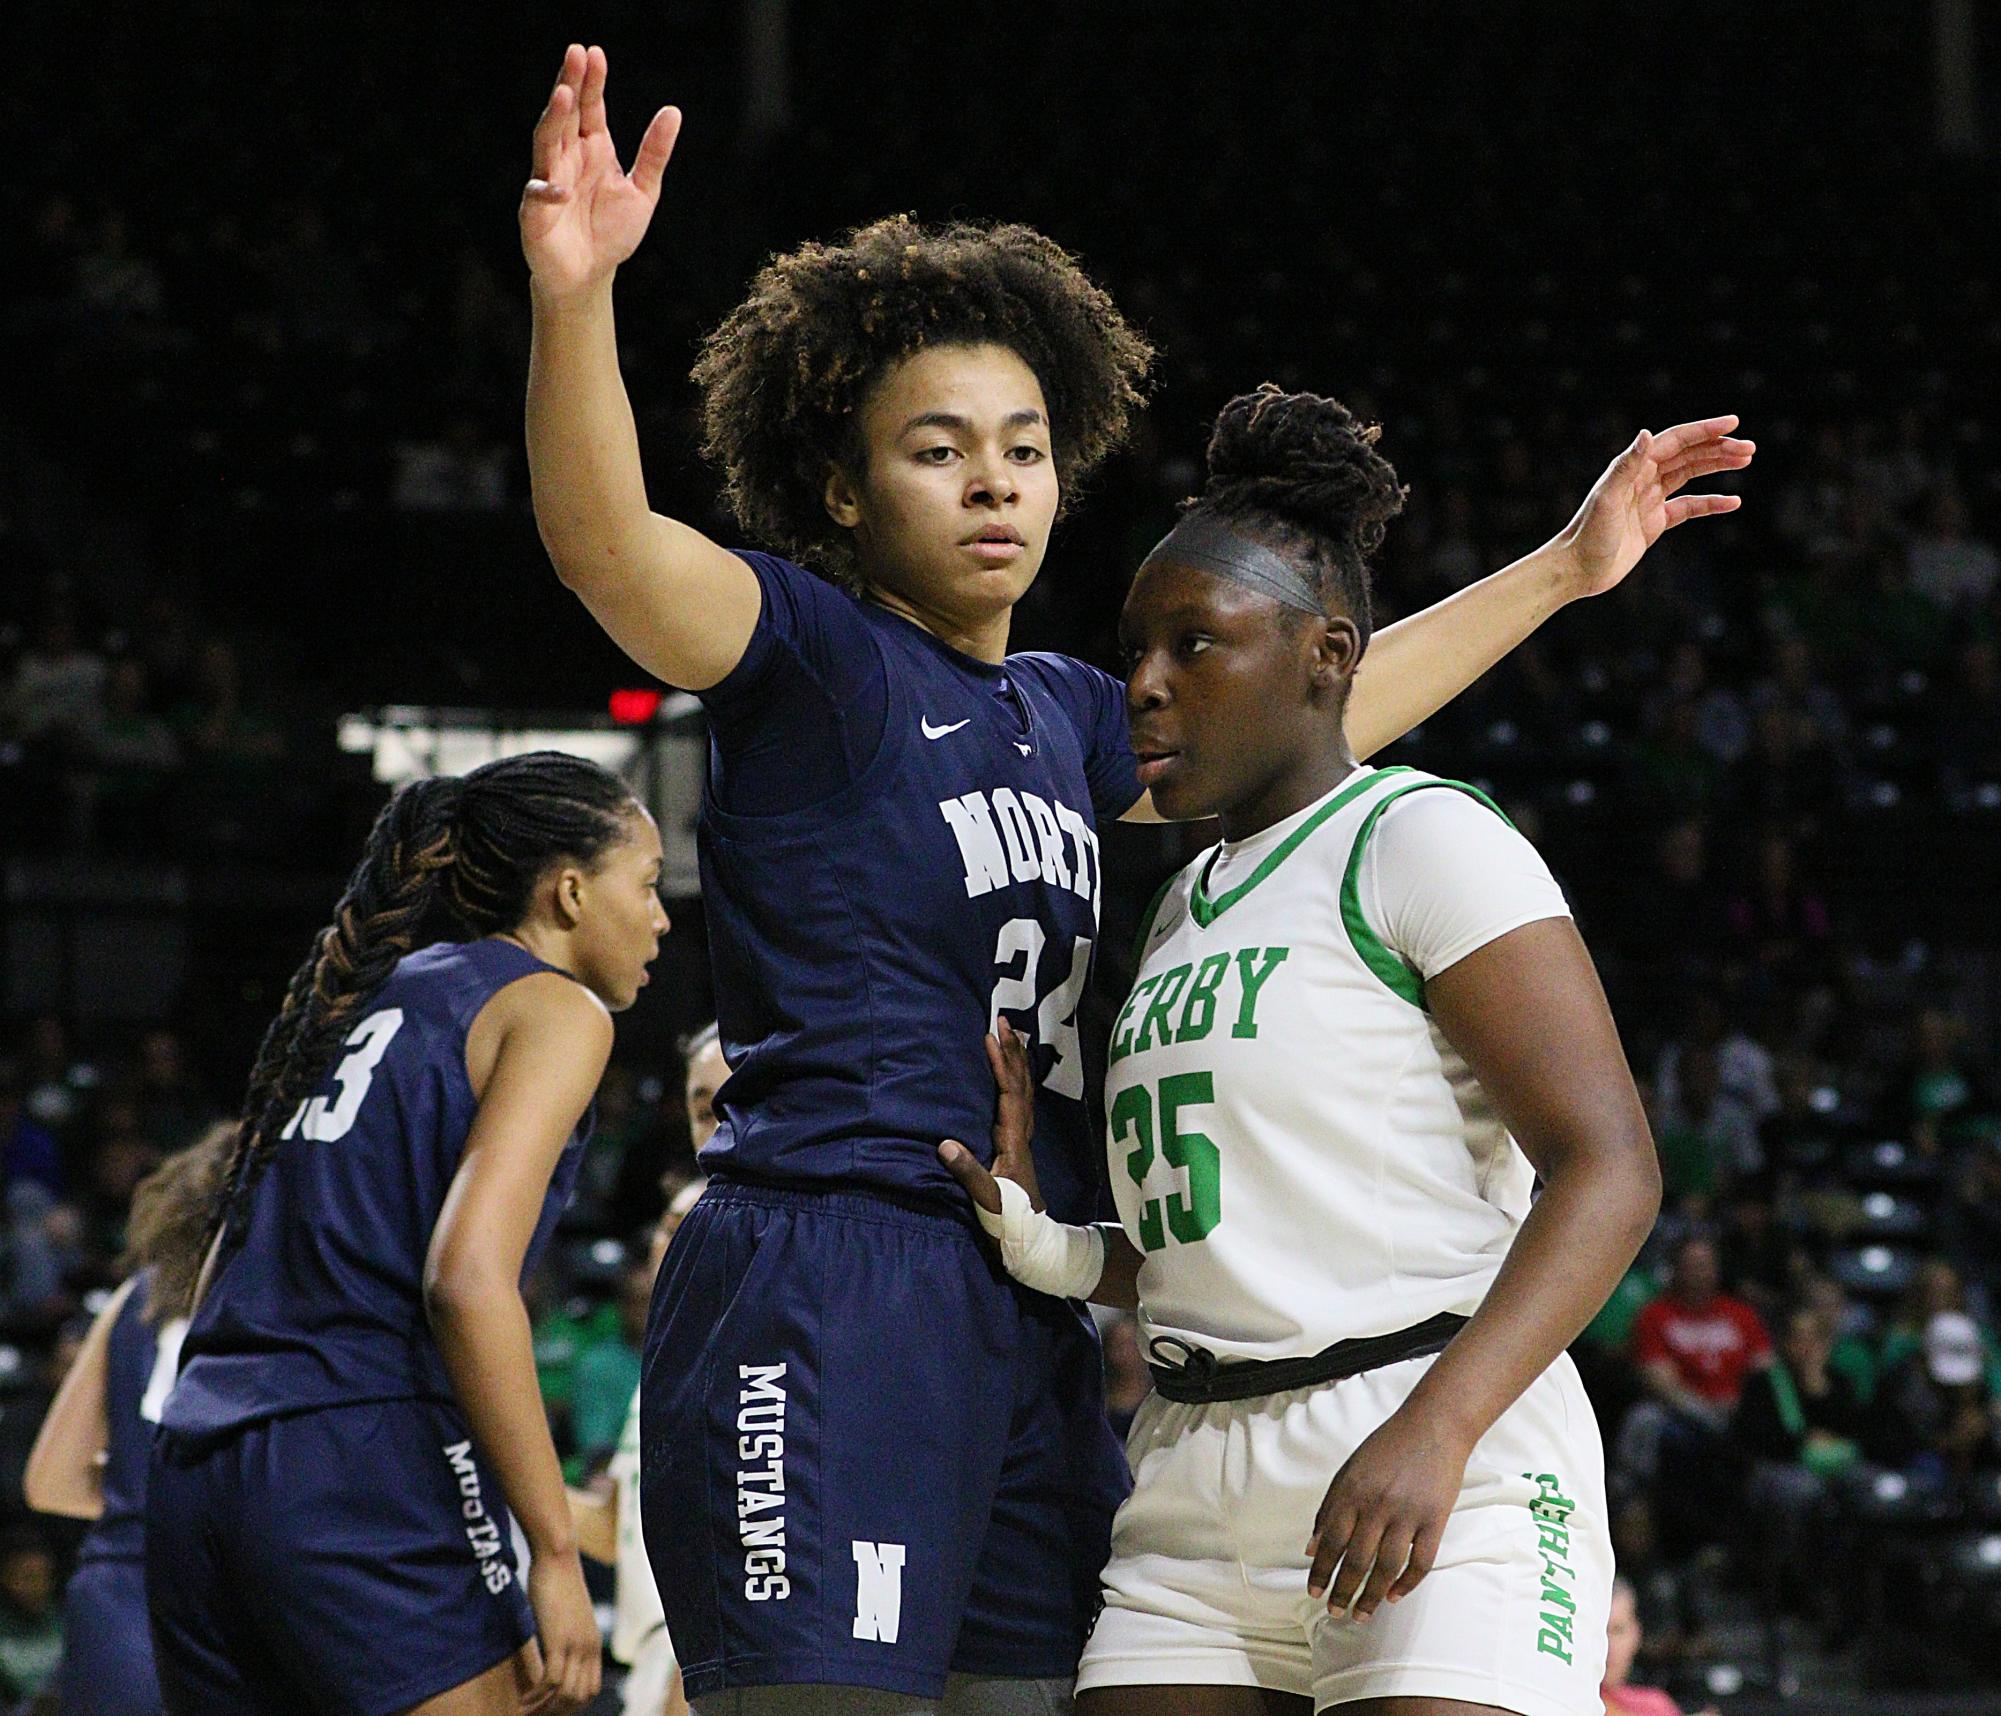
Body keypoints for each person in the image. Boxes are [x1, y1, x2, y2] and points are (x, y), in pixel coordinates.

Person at [520, 44, 1748, 1713]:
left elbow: (1319, 699)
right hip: (831, 1263)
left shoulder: (1076, 717)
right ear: (840, 490)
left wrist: (1561, 572)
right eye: (936, 450)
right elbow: (611, 551)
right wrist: (574, 300)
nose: (993, 481)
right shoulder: (818, 663)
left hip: (1017, 1291)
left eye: (1021, 447)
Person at [942, 385, 1662, 1716]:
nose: (1144, 684)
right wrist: (1049, 1242)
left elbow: (1610, 1170)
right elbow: (1228, 1242)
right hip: (1190, 1472)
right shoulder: (1176, 908)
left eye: (1194, 646)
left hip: (1432, 1440)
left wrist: (1438, 1429)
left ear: (1329, 657)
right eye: (1135, 648)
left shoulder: (1423, 838)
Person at [144, 752, 670, 1716]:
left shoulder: (370, 993)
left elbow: (227, 1242)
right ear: (568, 890)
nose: (663, 917)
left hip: (196, 1456)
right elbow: (466, 1280)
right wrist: (554, 1551)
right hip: (354, 1450)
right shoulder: (554, 1009)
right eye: (646, 884)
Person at [22, 1123, 232, 1716]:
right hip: (229, 1600)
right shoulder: (284, 1305)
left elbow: (50, 1481)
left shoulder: (132, 1298)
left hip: (120, 1598)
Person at [569, 1023, 724, 1716]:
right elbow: (616, 1531)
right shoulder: (666, 1358)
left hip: (706, 1658)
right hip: (654, 1662)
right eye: (701, 1107)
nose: (717, 1127)